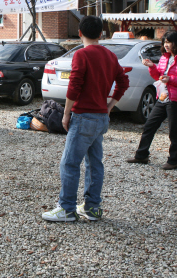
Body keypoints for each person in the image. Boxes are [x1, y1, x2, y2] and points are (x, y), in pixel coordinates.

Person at [42, 16, 129, 222]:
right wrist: (109, 107)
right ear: (100, 34)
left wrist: (66, 113)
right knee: (94, 163)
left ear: (80, 33)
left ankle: (67, 208)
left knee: (70, 163)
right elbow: (123, 82)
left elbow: (75, 85)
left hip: (83, 117)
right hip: (101, 117)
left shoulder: (81, 54)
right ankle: (92, 208)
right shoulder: (110, 55)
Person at [127, 30, 177, 170]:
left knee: (174, 131)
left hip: (176, 101)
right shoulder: (164, 58)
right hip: (162, 98)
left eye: (169, 42)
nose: (166, 45)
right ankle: (141, 155)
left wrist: (171, 79)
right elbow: (157, 76)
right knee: (149, 126)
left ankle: (174, 160)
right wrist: (152, 66)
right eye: (164, 42)